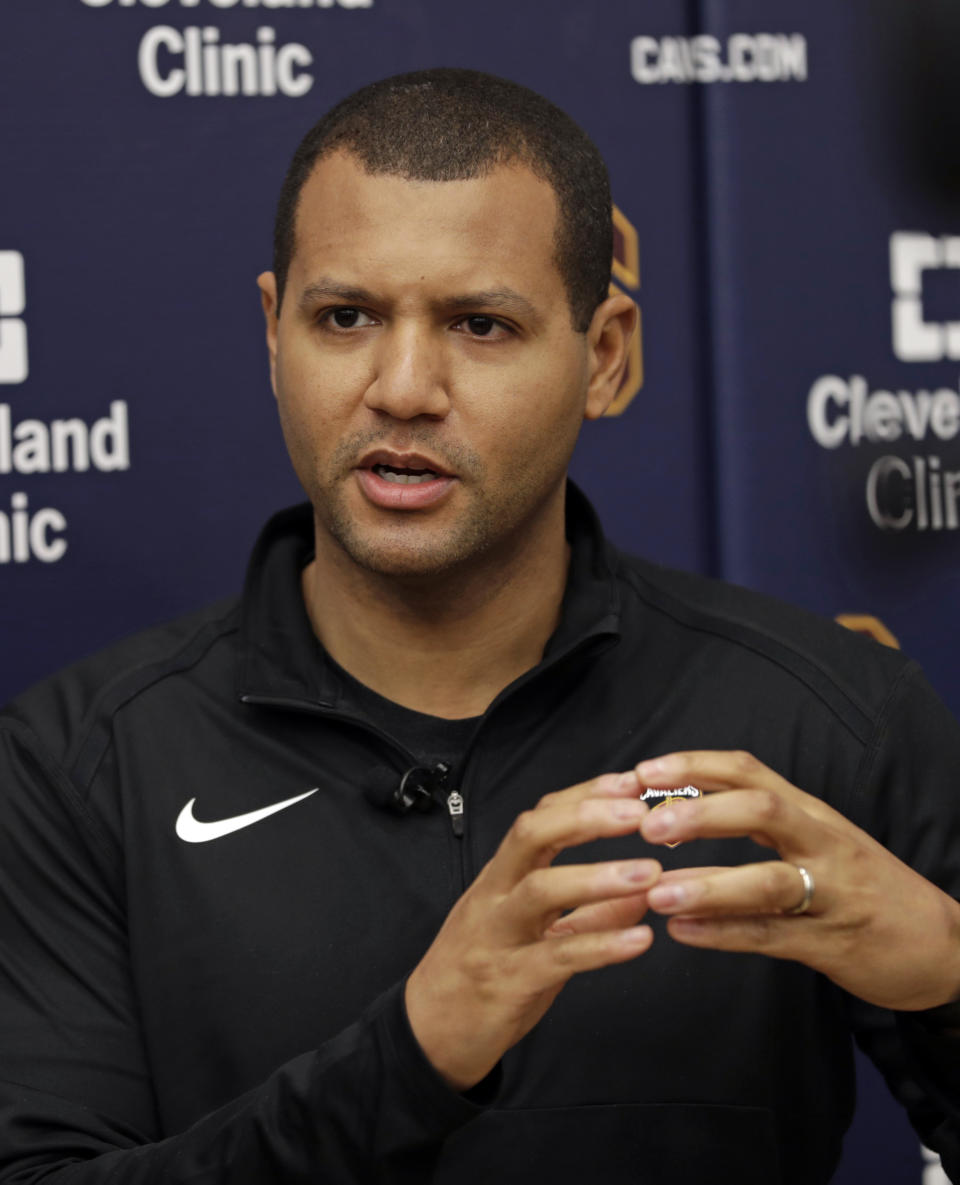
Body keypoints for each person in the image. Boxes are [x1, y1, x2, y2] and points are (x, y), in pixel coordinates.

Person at [1, 67, 959, 1185]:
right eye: (347, 316)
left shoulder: (825, 717)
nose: (403, 387)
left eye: (481, 324)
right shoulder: (81, 764)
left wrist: (949, 975)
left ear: (604, 355)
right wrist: (411, 1058)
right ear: (274, 332)